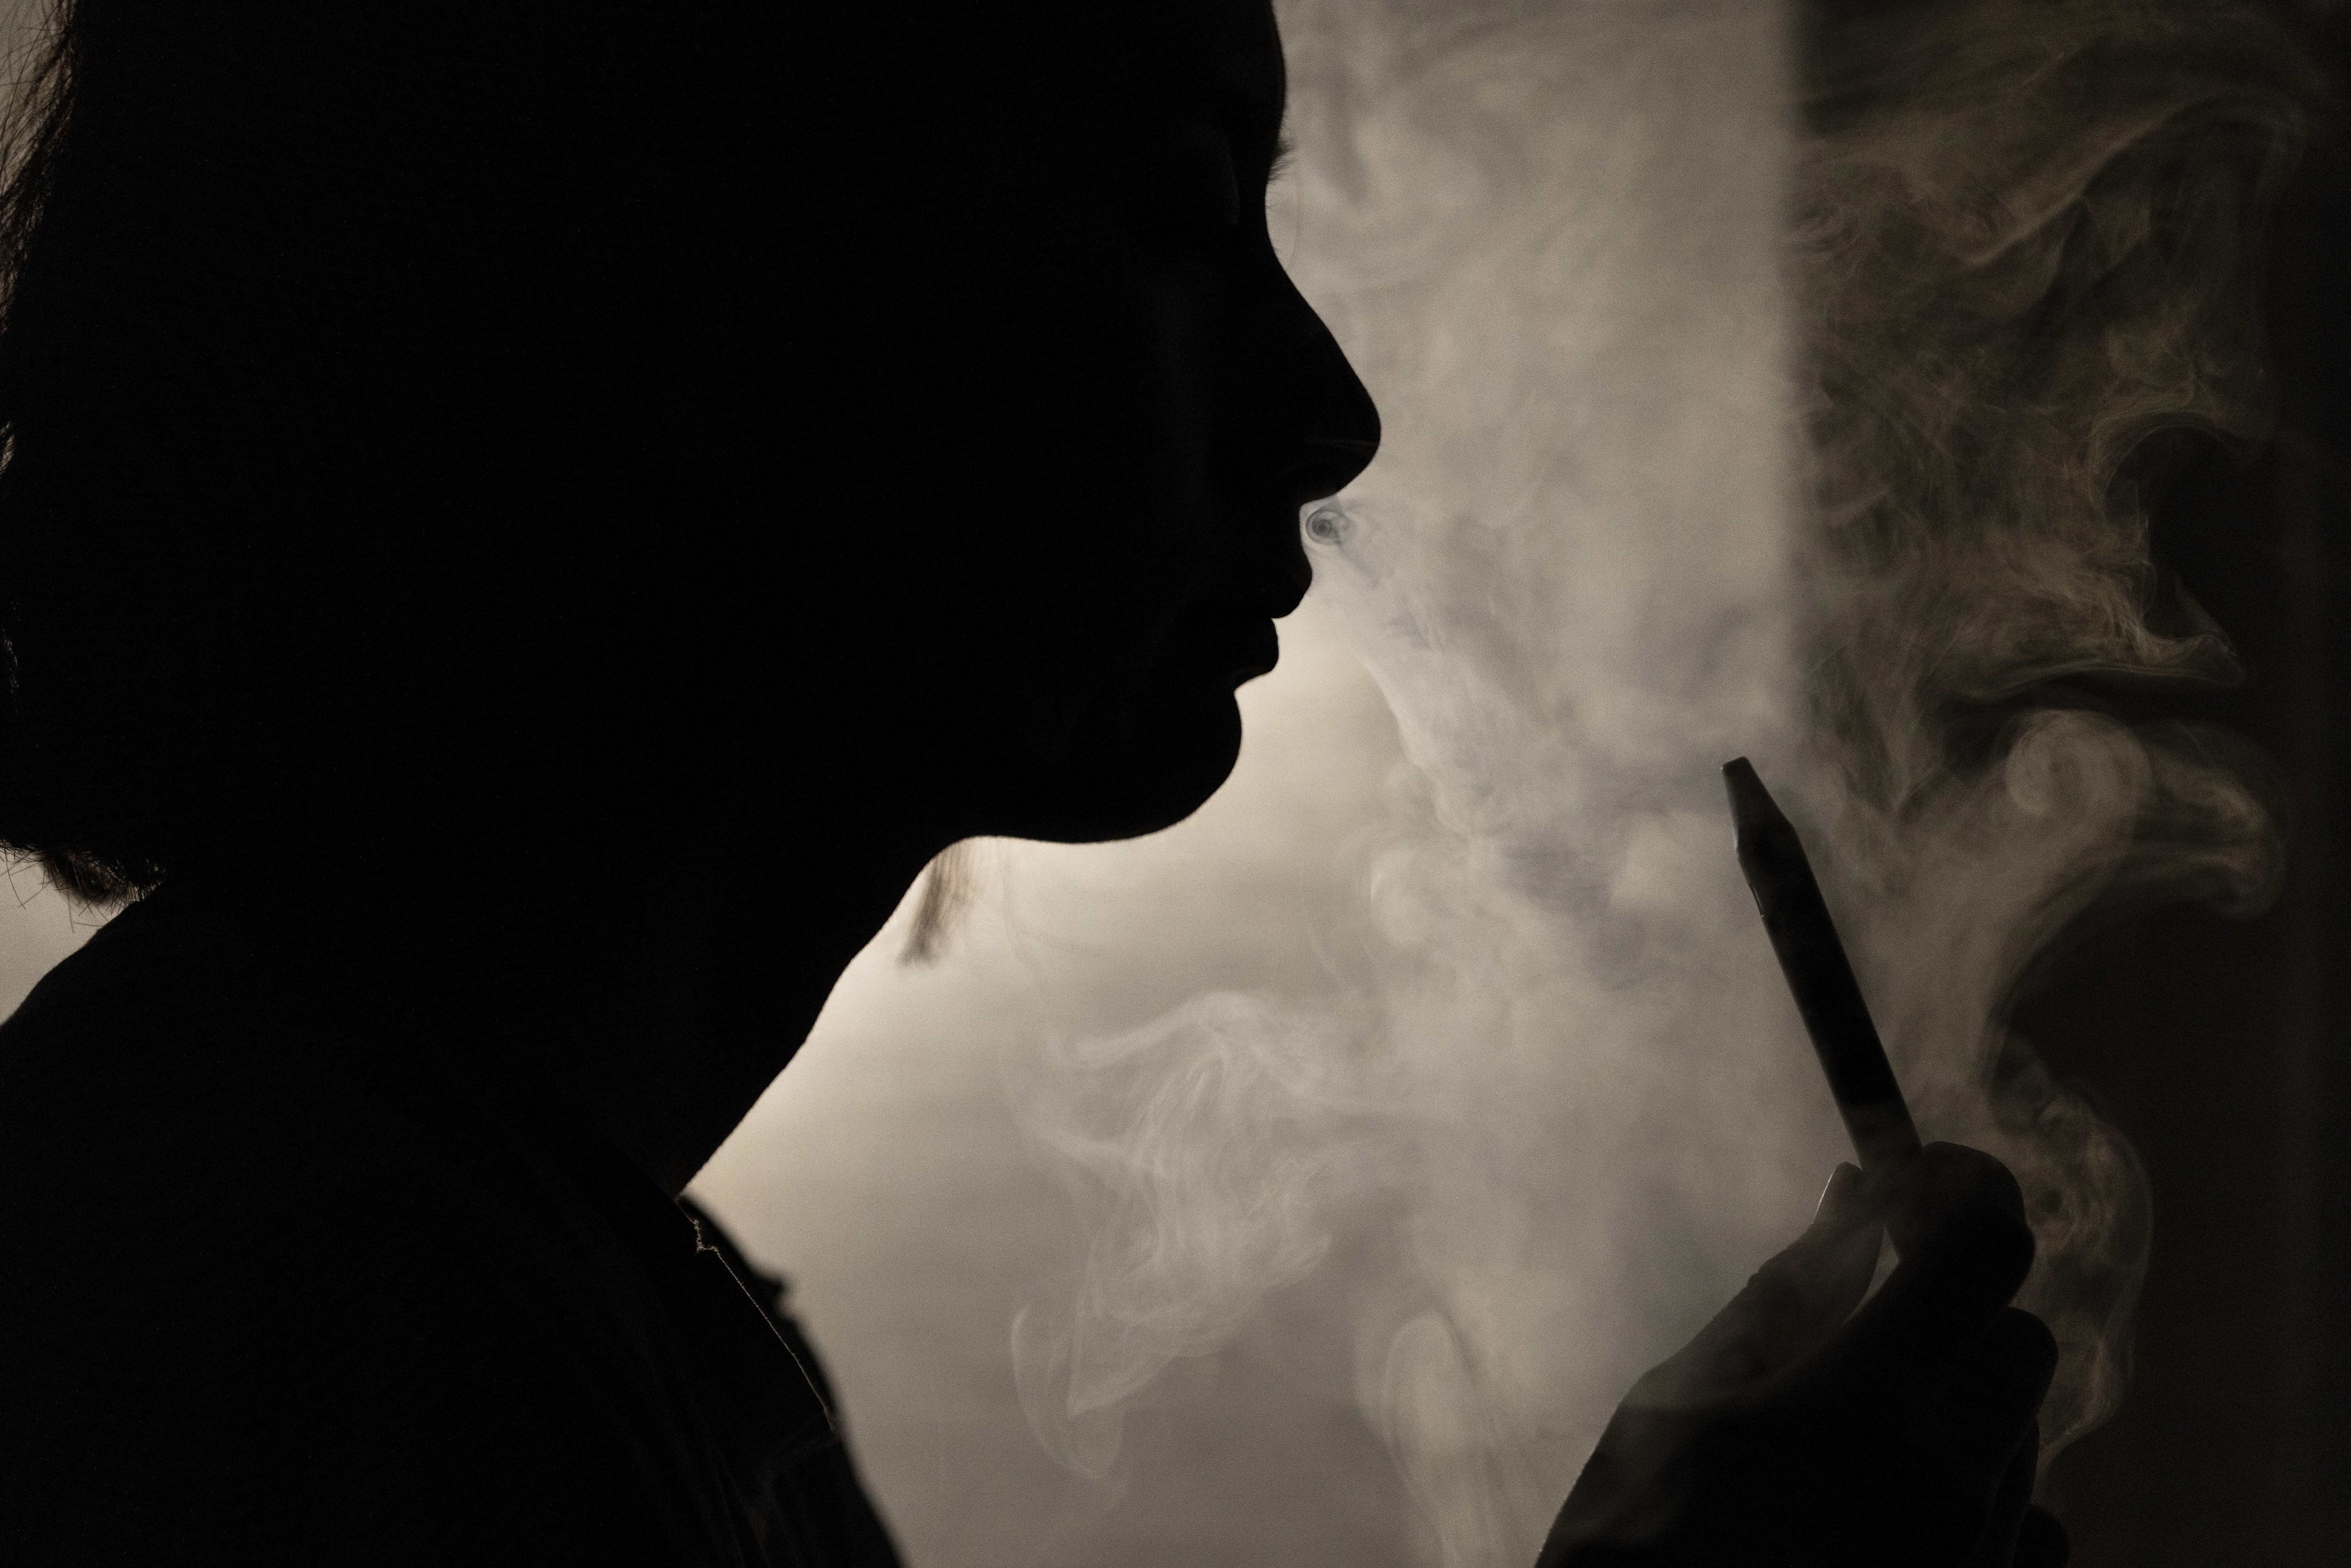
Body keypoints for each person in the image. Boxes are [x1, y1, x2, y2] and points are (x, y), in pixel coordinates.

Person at [0, 1, 2064, 1562]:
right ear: (689, 292)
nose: (1329, 414)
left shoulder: (472, 1259)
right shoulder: (331, 1342)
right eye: (1174, 215)